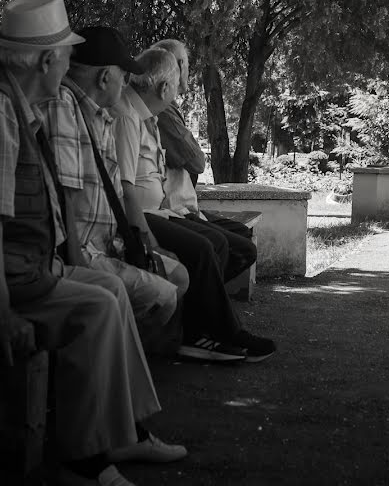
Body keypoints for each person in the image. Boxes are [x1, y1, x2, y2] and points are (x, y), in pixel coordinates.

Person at [0, 0, 183, 486]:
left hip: (15, 268)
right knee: (97, 308)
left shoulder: (7, 100)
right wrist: (0, 311)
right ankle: (86, 461)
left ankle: (122, 434)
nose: (71, 67)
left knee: (108, 294)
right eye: (68, 56)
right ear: (47, 60)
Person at [111, 47, 276, 363]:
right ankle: (216, 333)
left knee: (217, 244)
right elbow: (125, 190)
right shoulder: (126, 116)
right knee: (204, 248)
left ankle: (203, 329)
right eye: (177, 83)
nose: (179, 91)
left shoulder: (139, 114)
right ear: (165, 88)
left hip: (159, 210)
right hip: (142, 216)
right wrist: (149, 238)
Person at [41, 26, 189, 335]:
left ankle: (129, 354)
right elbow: (65, 194)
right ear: (104, 77)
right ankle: (122, 361)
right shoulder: (63, 106)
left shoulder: (100, 115)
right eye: (124, 75)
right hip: (86, 251)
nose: (127, 82)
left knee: (176, 276)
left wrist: (140, 244)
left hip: (107, 243)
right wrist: (79, 259)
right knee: (164, 294)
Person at [152, 39, 257, 251]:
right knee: (235, 246)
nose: (189, 73)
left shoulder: (167, 107)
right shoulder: (162, 110)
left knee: (240, 236)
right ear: (178, 66)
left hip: (182, 207)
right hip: (174, 210)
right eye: (188, 66)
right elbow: (197, 161)